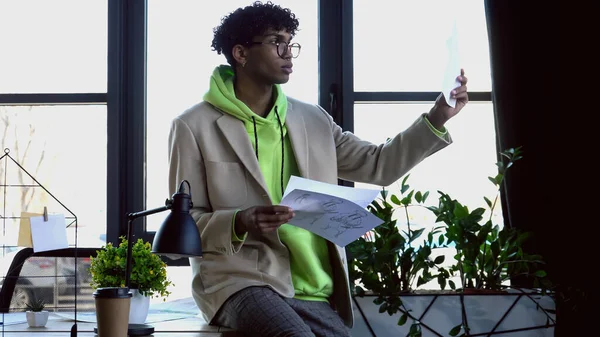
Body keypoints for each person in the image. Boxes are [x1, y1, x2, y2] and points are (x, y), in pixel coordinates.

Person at [167, 2, 469, 336]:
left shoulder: (314, 119)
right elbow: (187, 220)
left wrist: (437, 118)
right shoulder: (193, 126)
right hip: (239, 280)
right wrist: (240, 220)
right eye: (276, 42)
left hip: (313, 286)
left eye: (290, 42)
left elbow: (378, 165)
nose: (288, 53)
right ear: (240, 53)